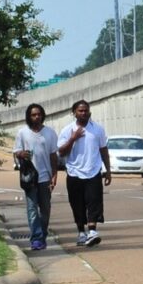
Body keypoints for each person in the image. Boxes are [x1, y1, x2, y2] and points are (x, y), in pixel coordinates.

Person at [57, 99, 111, 247]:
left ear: (90, 112)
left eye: (86, 110)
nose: (83, 113)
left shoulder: (97, 129)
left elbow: (103, 150)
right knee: (77, 204)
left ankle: (92, 231)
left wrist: (108, 170)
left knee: (94, 201)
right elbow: (61, 152)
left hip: (93, 171)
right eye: (80, 111)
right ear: (74, 113)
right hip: (74, 172)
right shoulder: (67, 130)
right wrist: (73, 138)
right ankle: (81, 232)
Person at [13, 103, 59, 250]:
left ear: (42, 115)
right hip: (30, 178)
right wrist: (21, 154)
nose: (36, 117)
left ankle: (42, 235)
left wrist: (54, 174)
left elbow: (53, 155)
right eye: (33, 114)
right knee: (32, 210)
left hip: (45, 177)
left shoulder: (50, 133)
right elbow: (16, 152)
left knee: (45, 210)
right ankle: (36, 239)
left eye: (39, 114)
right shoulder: (22, 133)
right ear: (29, 116)